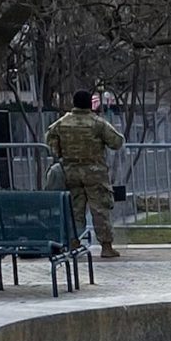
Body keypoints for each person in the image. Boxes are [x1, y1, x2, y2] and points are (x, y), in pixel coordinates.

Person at [45, 91, 125, 257]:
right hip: (94, 172)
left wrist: (61, 153)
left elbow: (50, 140)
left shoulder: (61, 123)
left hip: (71, 171)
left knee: (75, 209)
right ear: (90, 104)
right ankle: (106, 246)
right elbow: (116, 142)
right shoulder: (97, 123)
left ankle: (74, 243)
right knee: (100, 209)